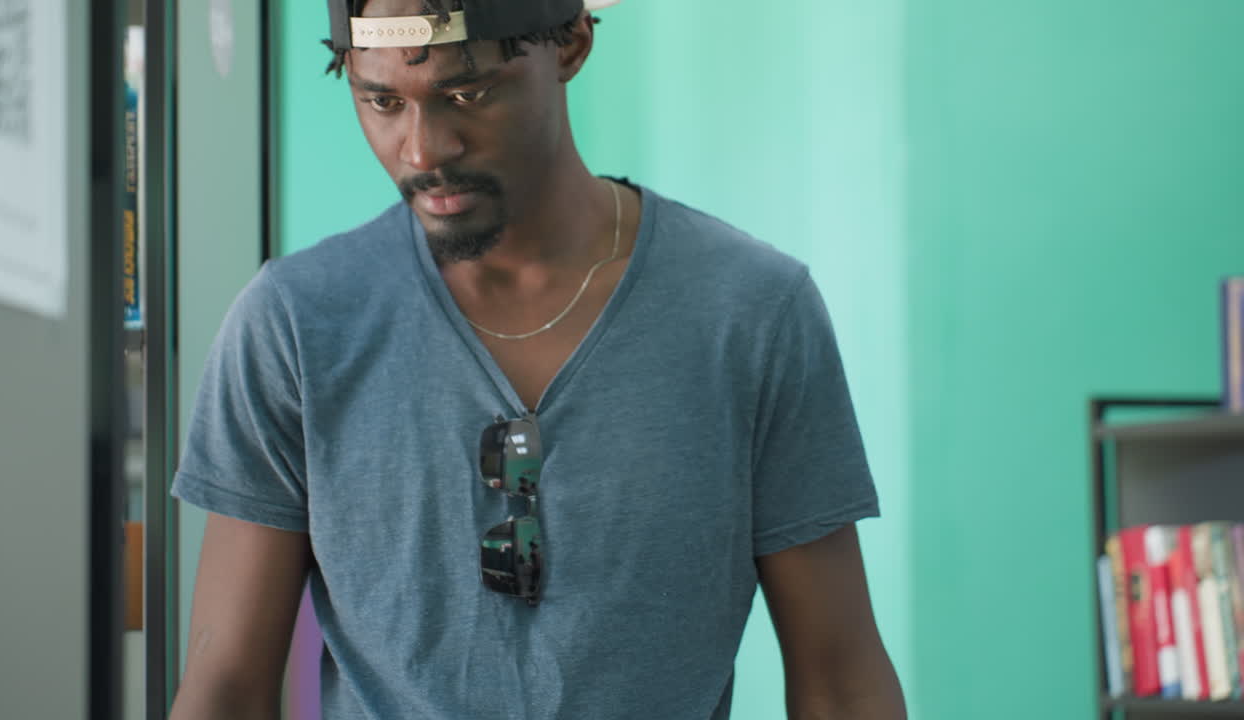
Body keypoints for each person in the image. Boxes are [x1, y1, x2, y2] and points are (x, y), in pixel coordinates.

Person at [168, 0, 907, 718]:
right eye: (383, 101)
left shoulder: (751, 313)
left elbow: (842, 683)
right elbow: (225, 685)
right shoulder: (295, 327)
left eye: (468, 93)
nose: (424, 150)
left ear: (572, 45)